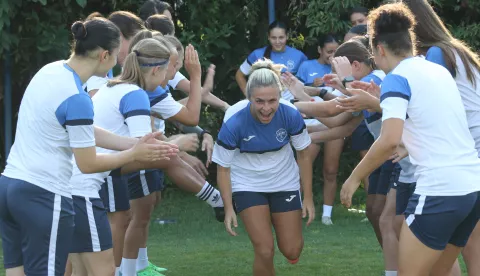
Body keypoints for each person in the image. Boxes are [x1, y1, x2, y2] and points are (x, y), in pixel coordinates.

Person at [0, 18, 175, 276]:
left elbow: (82, 131)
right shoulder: (77, 96)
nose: (118, 63)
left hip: (9, 187)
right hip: (43, 194)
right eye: (117, 56)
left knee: (17, 272)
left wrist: (133, 143)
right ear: (105, 55)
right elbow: (88, 163)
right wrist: (132, 154)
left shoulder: (50, 71)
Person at [340, 3, 480, 275]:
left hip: (440, 190)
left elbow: (388, 139)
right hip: (472, 188)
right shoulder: (437, 71)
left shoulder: (397, 78)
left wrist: (355, 177)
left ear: (380, 49)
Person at [213, 59, 315, 276]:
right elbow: (222, 168)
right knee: (265, 250)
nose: (266, 108)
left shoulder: (290, 114)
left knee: (292, 249)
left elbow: (304, 154)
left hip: (284, 181)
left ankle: (286, 237)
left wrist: (308, 197)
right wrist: (229, 207)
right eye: (259, 101)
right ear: (249, 97)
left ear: (280, 97)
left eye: (272, 101)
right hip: (247, 184)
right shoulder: (234, 120)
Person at [401, 0, 480, 274]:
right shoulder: (456, 51)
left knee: (468, 247)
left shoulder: (436, 55)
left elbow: (428, 106)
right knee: (463, 248)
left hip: (466, 160)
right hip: (471, 157)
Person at [235, 20, 308, 99]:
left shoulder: (299, 56)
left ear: (287, 36)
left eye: (281, 37)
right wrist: (250, 97)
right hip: (263, 104)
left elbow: (306, 82)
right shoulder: (257, 54)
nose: (277, 41)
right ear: (268, 37)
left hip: (291, 105)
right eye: (273, 38)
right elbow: (239, 75)